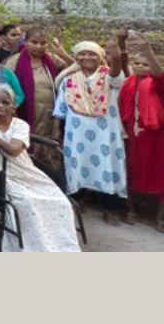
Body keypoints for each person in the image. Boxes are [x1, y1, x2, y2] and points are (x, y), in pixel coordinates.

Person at [0, 85, 81, 252]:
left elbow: (13, 150)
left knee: (59, 199)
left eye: (5, 102)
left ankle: (58, 244)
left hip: (22, 167)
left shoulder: (20, 125)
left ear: (13, 106)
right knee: (27, 201)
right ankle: (33, 244)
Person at [52, 40, 128, 223]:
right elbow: (60, 107)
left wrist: (116, 56)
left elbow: (116, 74)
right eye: (82, 54)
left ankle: (110, 208)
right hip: (77, 134)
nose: (87, 57)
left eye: (92, 54)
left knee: (107, 166)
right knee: (77, 165)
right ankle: (77, 202)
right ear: (76, 57)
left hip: (105, 134)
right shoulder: (69, 79)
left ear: (100, 57)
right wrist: (56, 130)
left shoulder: (108, 76)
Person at [119, 32, 164, 231]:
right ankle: (130, 210)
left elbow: (159, 74)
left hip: (156, 137)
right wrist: (122, 43)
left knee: (162, 172)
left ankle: (161, 217)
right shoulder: (129, 82)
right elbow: (122, 63)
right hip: (133, 136)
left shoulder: (159, 85)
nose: (141, 67)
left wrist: (147, 51)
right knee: (131, 171)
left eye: (146, 64)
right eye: (137, 63)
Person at [3, 27, 71, 178]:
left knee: (52, 145)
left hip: (52, 114)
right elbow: (2, 84)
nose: (39, 46)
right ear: (26, 42)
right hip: (27, 113)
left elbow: (76, 68)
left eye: (43, 43)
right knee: (32, 146)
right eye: (34, 42)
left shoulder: (52, 59)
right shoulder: (15, 61)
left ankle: (54, 180)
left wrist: (63, 54)